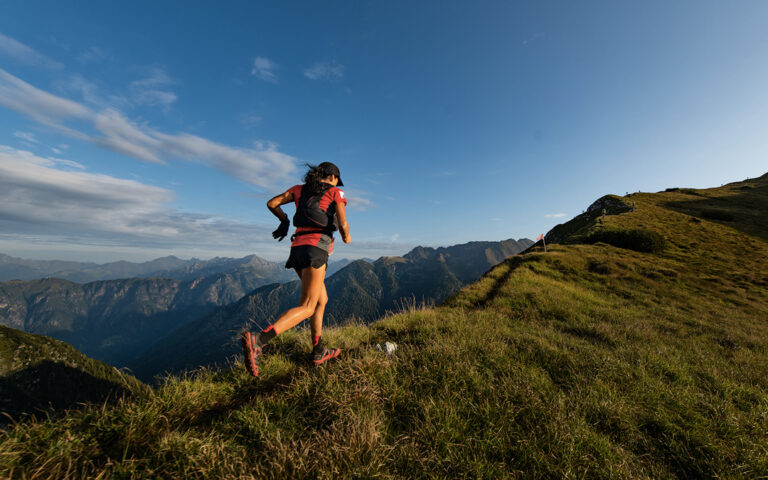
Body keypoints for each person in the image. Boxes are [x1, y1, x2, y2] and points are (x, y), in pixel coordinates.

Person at [240, 162, 351, 377]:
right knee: (308, 305)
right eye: (337, 179)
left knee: (321, 300)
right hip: (315, 248)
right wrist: (346, 237)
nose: (337, 183)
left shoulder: (298, 190)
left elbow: (272, 203)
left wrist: (284, 219)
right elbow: (344, 223)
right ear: (332, 177)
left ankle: (318, 350)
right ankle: (259, 340)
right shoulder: (336, 192)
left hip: (297, 248)